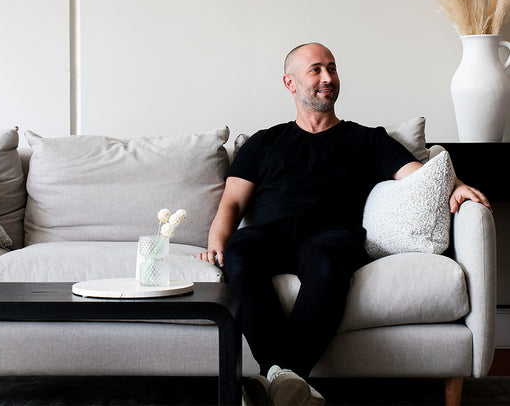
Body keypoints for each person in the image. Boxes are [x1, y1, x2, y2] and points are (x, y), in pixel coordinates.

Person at [198, 43, 490, 406]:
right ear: (290, 83)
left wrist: (456, 185)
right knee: (239, 251)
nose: (328, 78)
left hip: (330, 236)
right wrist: (217, 241)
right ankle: (286, 381)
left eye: (332, 68)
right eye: (316, 70)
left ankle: (277, 376)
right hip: (270, 236)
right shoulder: (263, 142)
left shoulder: (367, 139)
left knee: (330, 258)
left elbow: (422, 177)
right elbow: (232, 201)